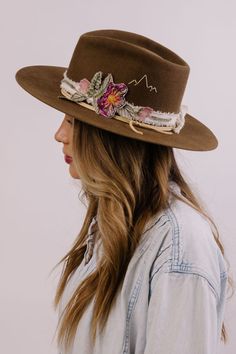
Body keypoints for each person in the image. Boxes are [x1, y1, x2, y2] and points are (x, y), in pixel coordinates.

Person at [15, 29, 233, 354]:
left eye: (73, 122)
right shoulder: (113, 226)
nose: (59, 135)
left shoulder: (180, 246)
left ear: (111, 138)